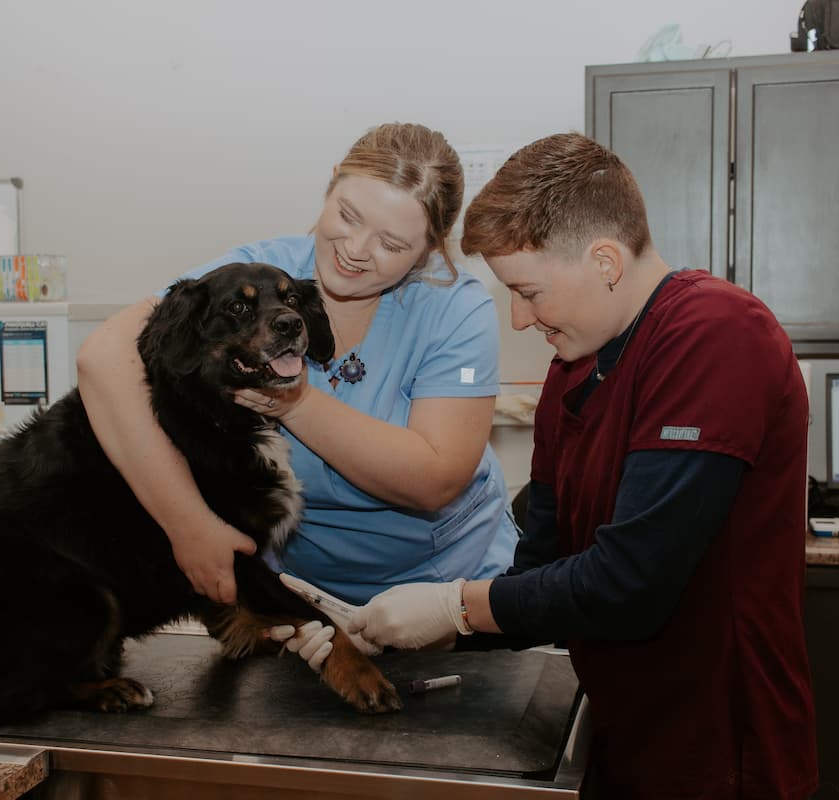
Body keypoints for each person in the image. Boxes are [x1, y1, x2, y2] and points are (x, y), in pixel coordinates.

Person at [337, 133, 819, 798]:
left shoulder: (718, 334)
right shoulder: (573, 374)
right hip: (621, 733)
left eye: (528, 291)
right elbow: (541, 575)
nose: (520, 316)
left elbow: (629, 583)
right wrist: (407, 630)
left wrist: (455, 608)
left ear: (605, 261)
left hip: (721, 747)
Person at [76, 122, 518, 629]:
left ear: (430, 248)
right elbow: (103, 357)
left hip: (446, 594)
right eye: (348, 216)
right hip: (301, 597)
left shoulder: (455, 309)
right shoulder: (262, 273)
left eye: (392, 244)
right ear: (331, 183)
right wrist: (189, 526)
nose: (355, 249)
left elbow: (434, 481)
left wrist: (297, 402)